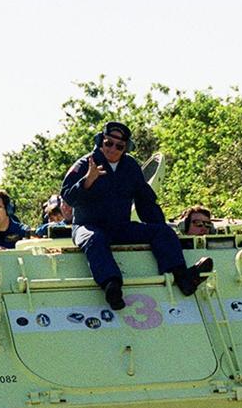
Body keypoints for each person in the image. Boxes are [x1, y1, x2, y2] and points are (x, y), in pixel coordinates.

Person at [61, 121, 211, 310]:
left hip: (120, 226)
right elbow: (68, 197)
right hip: (88, 225)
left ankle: (183, 278)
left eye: (119, 146)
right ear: (101, 141)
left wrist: (160, 228)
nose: (113, 149)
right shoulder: (85, 164)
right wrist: (87, 181)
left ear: (126, 148)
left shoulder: (130, 167)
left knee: (163, 232)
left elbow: (145, 202)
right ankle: (111, 286)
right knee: (94, 239)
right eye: (108, 143)